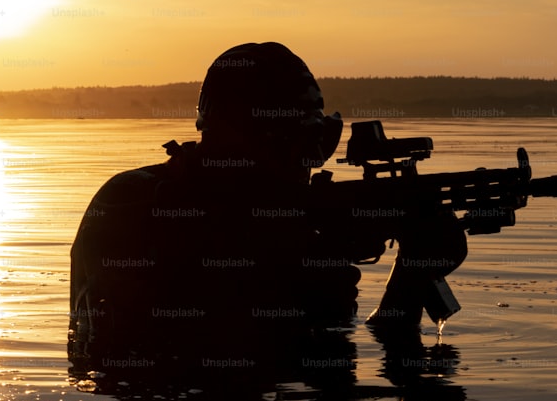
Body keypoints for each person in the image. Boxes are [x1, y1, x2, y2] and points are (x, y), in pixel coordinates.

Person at [67, 42, 466, 373]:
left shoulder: (276, 225)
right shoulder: (136, 203)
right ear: (237, 141)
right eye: (291, 149)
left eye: (315, 149)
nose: (304, 170)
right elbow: (156, 349)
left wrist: (412, 273)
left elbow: (354, 347)